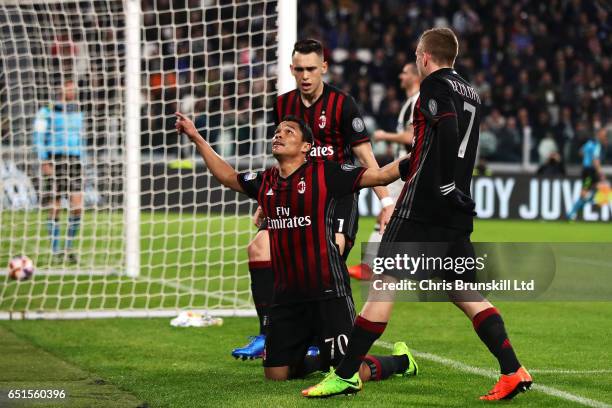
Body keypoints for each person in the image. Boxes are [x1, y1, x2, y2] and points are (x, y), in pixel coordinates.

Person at [302, 28, 532, 401]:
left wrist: (439, 183)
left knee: (383, 285)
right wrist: (444, 182)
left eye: (415, 55)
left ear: (425, 57)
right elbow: (449, 140)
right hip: (457, 206)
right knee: (464, 291)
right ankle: (512, 369)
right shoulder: (470, 91)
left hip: (424, 205)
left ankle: (345, 375)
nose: (414, 61)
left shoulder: (434, 87)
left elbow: (448, 128)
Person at [175, 112, 418, 382]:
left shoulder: (325, 173)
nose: (279, 134)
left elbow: (382, 175)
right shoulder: (265, 180)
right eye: (278, 131)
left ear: (306, 147)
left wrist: (420, 155)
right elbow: (229, 177)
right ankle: (322, 359)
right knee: (275, 375)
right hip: (287, 296)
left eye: (289, 131)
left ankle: (400, 361)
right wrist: (197, 138)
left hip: (327, 292)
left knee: (348, 372)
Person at [231, 39, 394, 360]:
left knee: (326, 259)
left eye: (311, 69)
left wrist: (386, 202)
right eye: (299, 69)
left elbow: (364, 156)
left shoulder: (343, 105)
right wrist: (267, 201)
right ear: (292, 70)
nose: (305, 76)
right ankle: (269, 334)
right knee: (258, 247)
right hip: (293, 199)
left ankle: (327, 335)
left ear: (323, 68)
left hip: (335, 197)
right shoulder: (282, 105)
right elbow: (282, 159)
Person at [349, 62, 421, 280]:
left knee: (386, 211)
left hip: (407, 168)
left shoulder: (416, 101)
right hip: (406, 165)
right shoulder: (411, 101)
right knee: (396, 215)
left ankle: (369, 266)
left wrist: (384, 136)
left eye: (405, 73)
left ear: (415, 77)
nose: (401, 76)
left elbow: (411, 137)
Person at [33, 79, 85, 263]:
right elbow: (38, 137)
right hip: (56, 159)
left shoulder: (78, 112)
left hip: (75, 160)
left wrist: (83, 160)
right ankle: (55, 251)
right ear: (59, 87)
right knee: (55, 206)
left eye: (73, 86)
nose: (71, 89)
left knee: (77, 206)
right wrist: (44, 159)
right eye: (67, 85)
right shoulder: (46, 111)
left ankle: (69, 247)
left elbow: (81, 139)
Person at [567, 127, 608, 220]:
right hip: (590, 172)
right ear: (599, 135)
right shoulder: (596, 145)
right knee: (585, 194)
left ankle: (578, 208)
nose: (605, 137)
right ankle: (571, 213)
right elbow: (595, 160)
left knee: (599, 189)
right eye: (604, 135)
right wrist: (601, 173)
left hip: (587, 170)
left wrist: (587, 157)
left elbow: (581, 152)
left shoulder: (589, 143)